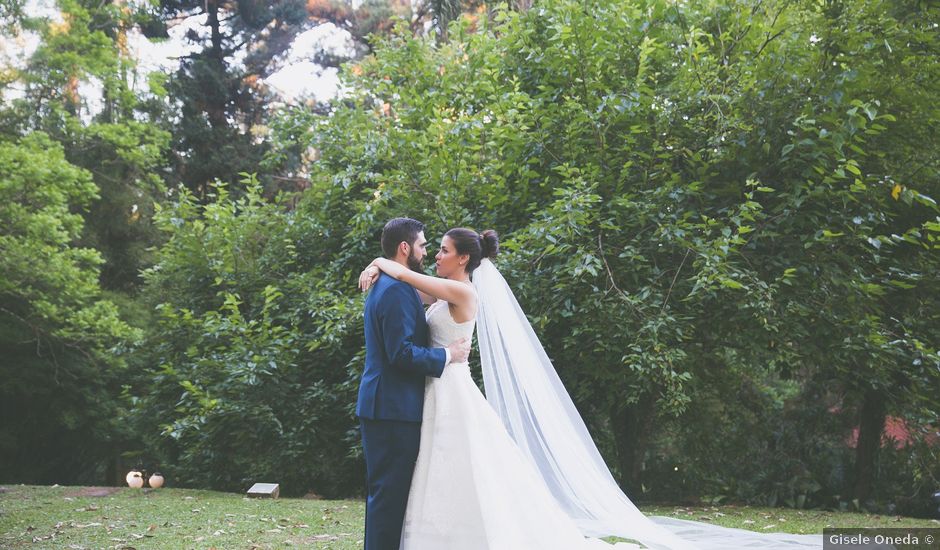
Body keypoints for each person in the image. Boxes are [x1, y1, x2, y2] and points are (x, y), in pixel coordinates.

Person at [360, 227, 822, 550]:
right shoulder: (440, 287)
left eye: (442, 249)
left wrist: (383, 261)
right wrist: (380, 267)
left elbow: (409, 278)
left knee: (470, 465)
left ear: (463, 258)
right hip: (438, 391)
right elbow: (408, 288)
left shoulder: (462, 293)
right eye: (431, 248)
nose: (435, 254)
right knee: (438, 469)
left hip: (453, 388)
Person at [356, 218, 470, 550]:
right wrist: (448, 354)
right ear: (405, 248)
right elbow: (401, 354)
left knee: (386, 496)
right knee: (388, 498)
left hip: (387, 405)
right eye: (422, 245)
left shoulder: (395, 285)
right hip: (392, 408)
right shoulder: (395, 291)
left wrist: (376, 263)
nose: (427, 251)